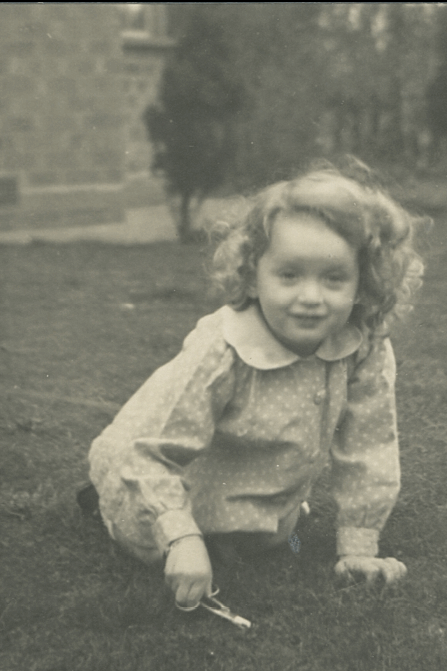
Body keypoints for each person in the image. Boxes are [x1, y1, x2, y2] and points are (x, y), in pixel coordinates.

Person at [85, 159, 425, 611]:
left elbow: (369, 449)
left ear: (364, 281)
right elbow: (149, 451)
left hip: (264, 511)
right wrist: (180, 535)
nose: (310, 297)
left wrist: (358, 548)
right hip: (166, 495)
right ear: (253, 272)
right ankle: (103, 504)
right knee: (153, 530)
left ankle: (247, 526)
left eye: (334, 278)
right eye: (289, 275)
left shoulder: (363, 348)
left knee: (264, 544)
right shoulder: (223, 350)